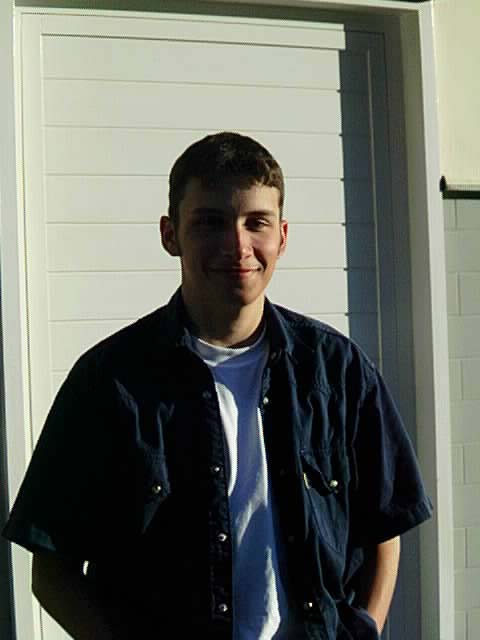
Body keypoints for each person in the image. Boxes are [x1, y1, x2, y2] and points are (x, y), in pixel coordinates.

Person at [3, 132, 432, 639]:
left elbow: (384, 530)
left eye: (257, 222)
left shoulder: (338, 371)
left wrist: (365, 629)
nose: (237, 245)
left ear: (283, 236)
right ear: (170, 235)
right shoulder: (109, 383)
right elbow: (52, 572)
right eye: (210, 222)